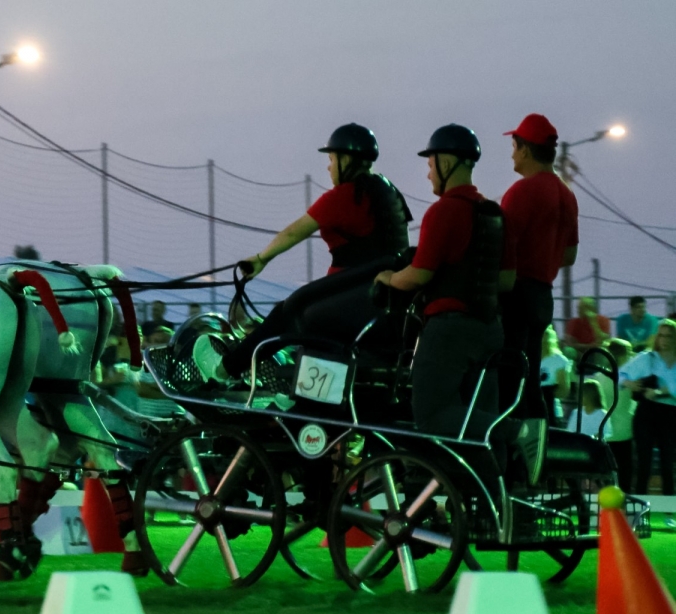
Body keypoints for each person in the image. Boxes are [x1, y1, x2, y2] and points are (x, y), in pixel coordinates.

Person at [194, 123, 411, 383]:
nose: (328, 167)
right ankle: (289, 391)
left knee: (288, 312)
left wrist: (261, 259)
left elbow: (293, 232)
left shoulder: (345, 196)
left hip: (350, 297)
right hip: (380, 303)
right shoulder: (388, 192)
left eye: (331, 159)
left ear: (346, 160)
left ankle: (224, 370)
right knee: (304, 323)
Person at [374, 126, 523, 471]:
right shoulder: (494, 214)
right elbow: (506, 280)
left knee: (433, 415)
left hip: (448, 331)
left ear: (447, 162)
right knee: (479, 425)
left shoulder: (444, 211)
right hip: (490, 330)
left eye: (430, 163)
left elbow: (419, 274)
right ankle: (493, 513)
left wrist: (388, 278)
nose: (428, 171)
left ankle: (520, 431)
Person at [498, 114, 579, 436]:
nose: (512, 154)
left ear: (527, 150)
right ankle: (538, 452)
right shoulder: (565, 195)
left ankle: (509, 452)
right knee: (529, 379)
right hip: (543, 296)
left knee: (507, 377)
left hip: (515, 293)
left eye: (514, 146)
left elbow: (501, 249)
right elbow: (569, 255)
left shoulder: (522, 192)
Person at [620, 319, 676, 494]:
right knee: (644, 462)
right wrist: (630, 383)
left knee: (669, 464)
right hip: (647, 413)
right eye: (661, 336)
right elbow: (620, 374)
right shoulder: (647, 358)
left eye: (669, 336)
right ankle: (639, 508)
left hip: (670, 414)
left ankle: (670, 512)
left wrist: (661, 391)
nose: (664, 340)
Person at [600, 339, 637, 492]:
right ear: (621, 356)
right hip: (624, 433)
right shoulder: (631, 380)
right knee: (624, 478)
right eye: (629, 353)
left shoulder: (598, 377)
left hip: (604, 434)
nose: (632, 356)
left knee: (606, 477)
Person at [538, 327, 571, 426]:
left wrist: (546, 393)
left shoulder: (559, 361)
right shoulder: (528, 359)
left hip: (553, 412)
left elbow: (564, 391)